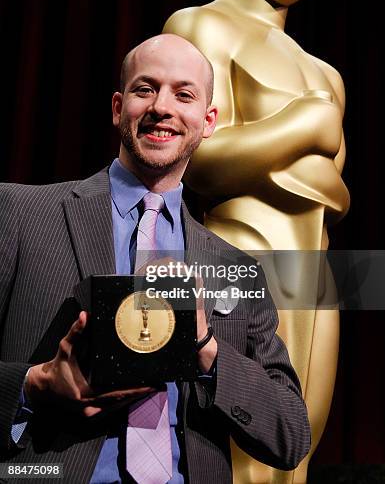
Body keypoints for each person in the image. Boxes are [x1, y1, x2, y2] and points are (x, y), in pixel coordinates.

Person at [0, 33, 310, 483]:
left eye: (183, 94)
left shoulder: (233, 268)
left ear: (208, 121)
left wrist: (207, 349)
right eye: (145, 89)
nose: (161, 106)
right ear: (116, 107)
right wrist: (35, 385)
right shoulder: (20, 215)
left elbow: (291, 435)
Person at [163, 0, 350, 484]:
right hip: (236, 249)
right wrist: (302, 127)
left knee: (299, 443)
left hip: (314, 263)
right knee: (236, 438)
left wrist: (286, 150)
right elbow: (195, 156)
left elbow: (336, 192)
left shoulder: (325, 73)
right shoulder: (200, 27)